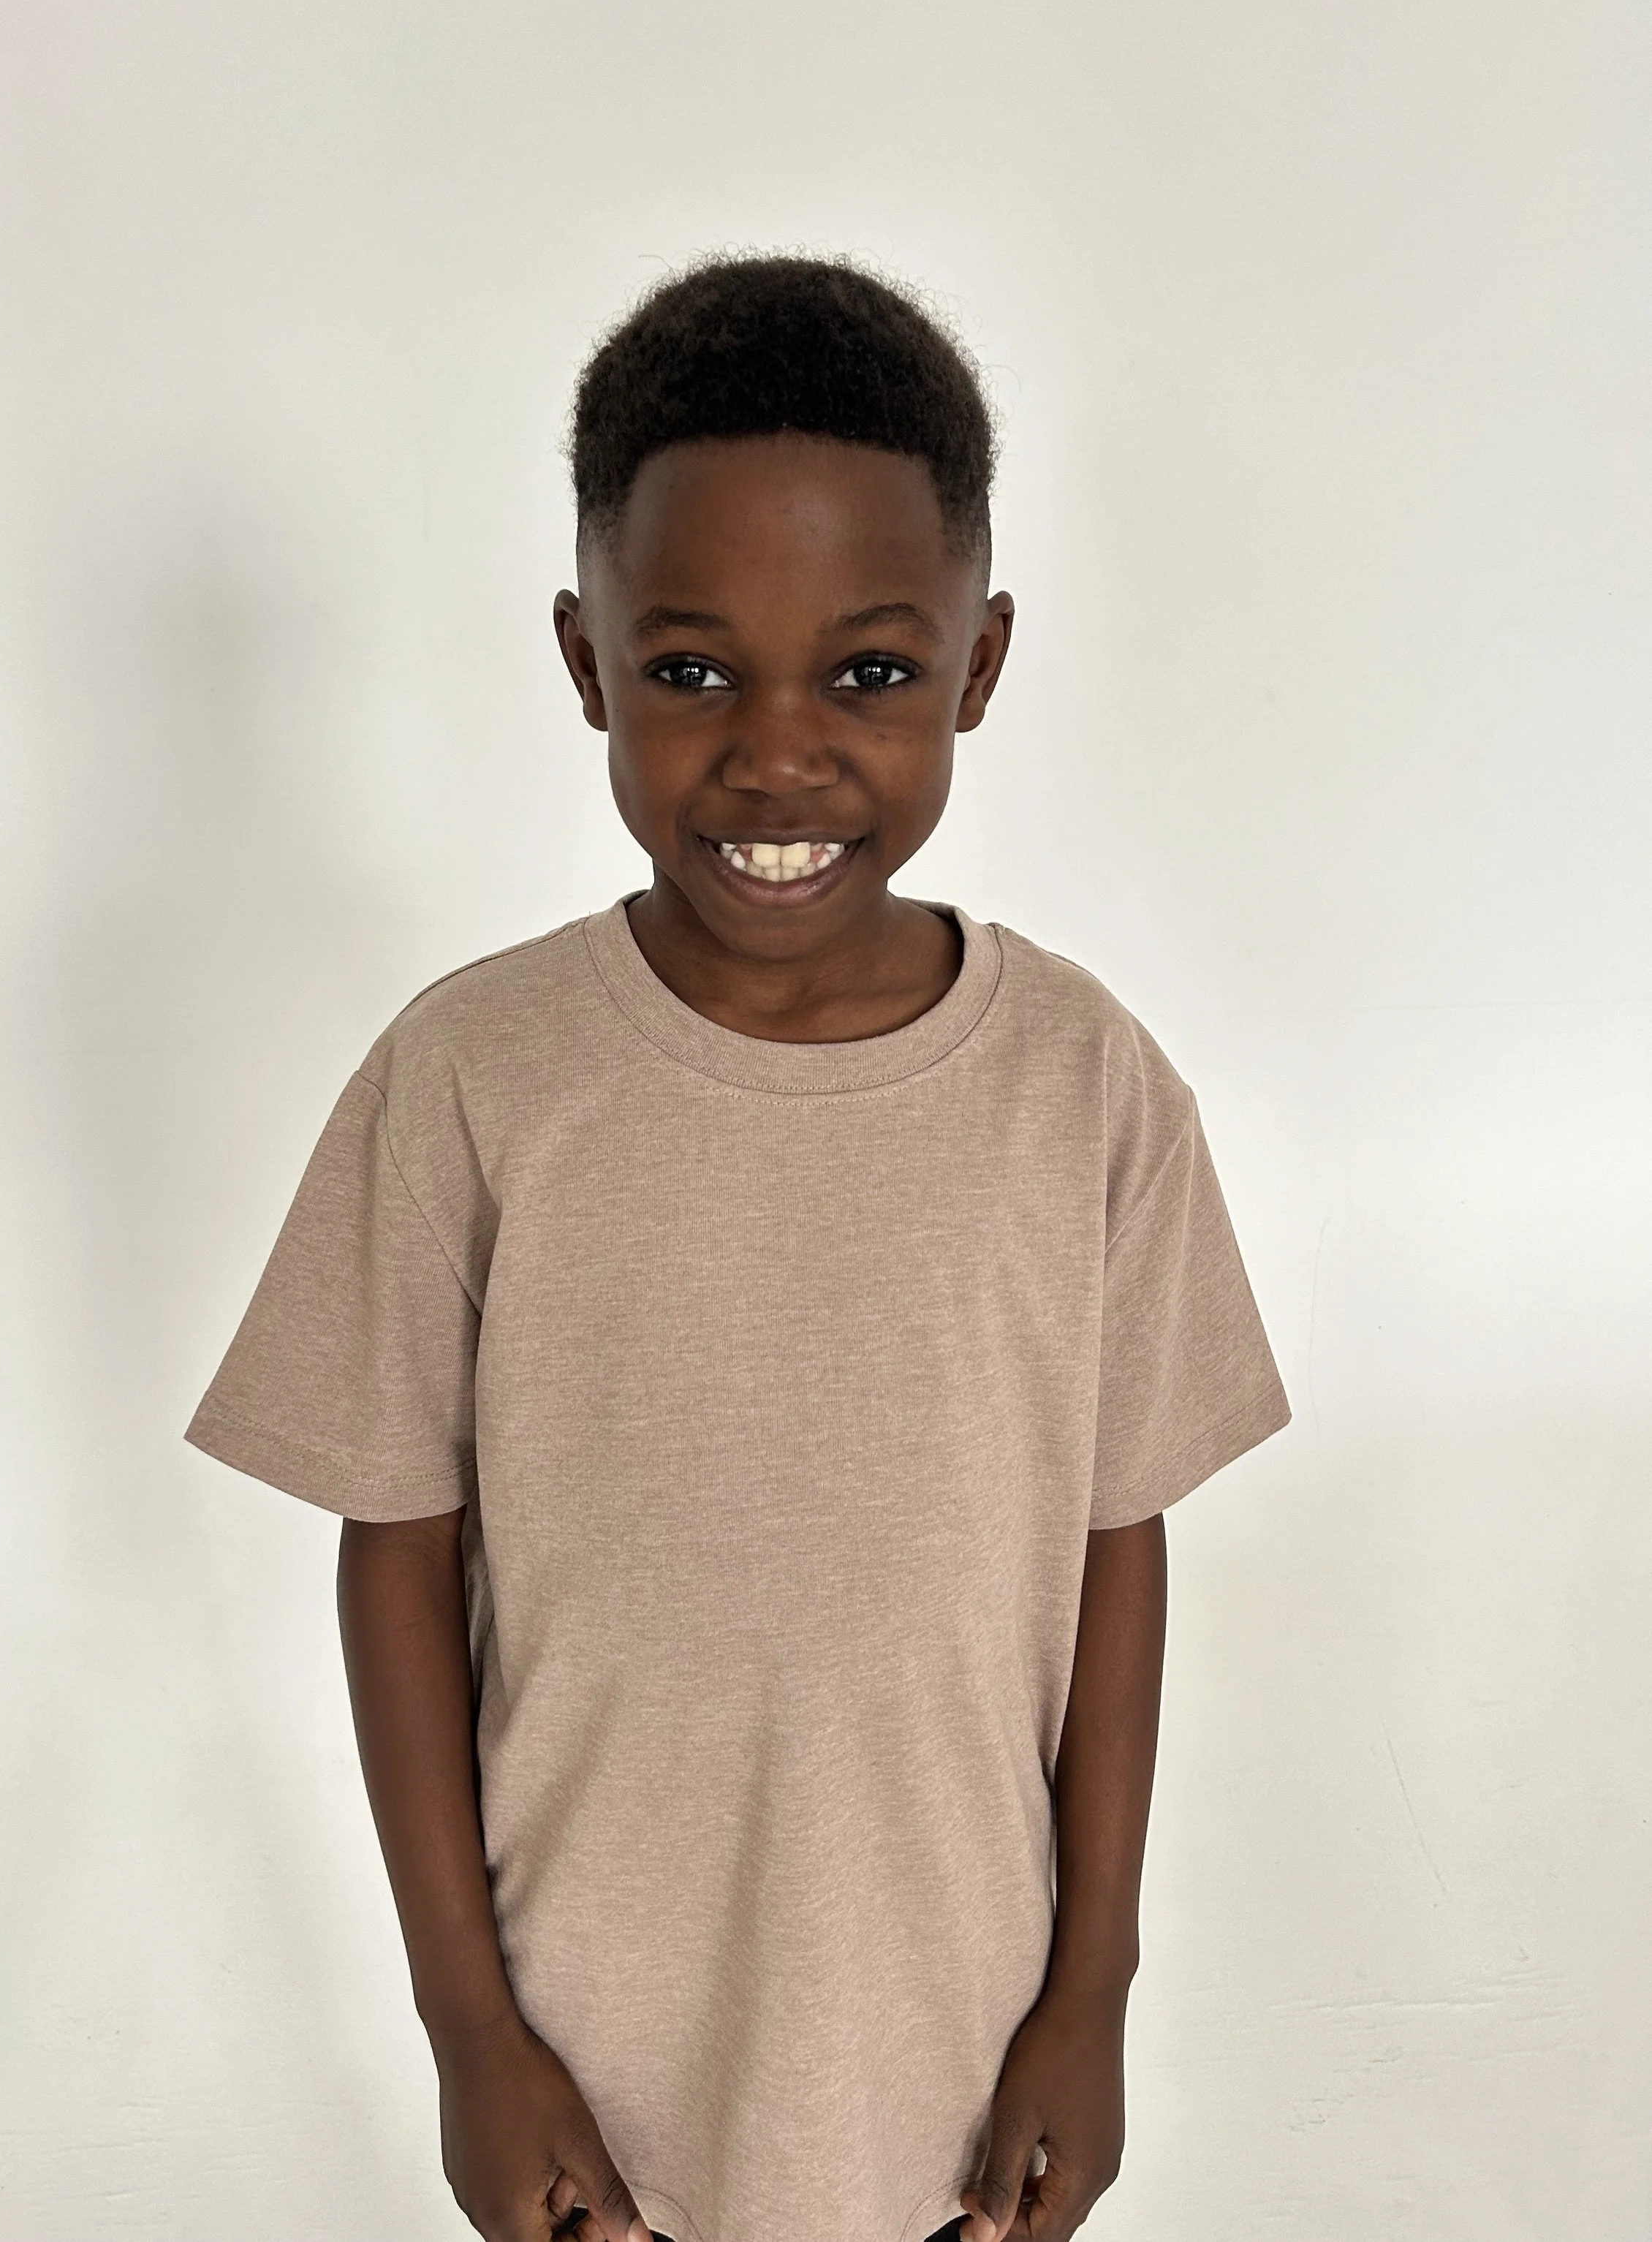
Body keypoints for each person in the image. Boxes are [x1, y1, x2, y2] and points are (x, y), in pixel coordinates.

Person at [184, 254, 1290, 2242]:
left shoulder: (1084, 1084)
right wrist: (473, 2038)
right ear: (584, 656)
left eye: (865, 670)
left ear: (978, 661)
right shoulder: (473, 1074)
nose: (777, 754)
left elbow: (1115, 1543)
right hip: (593, 2070)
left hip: (953, 2060)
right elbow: (393, 1542)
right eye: (692, 668)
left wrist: (1088, 1997)